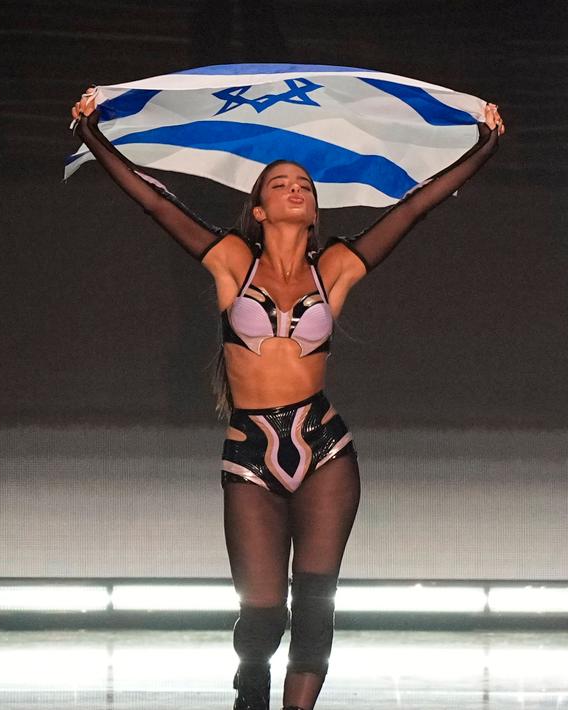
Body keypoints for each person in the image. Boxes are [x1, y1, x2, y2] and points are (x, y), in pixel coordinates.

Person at [72, 87, 503, 710]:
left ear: (315, 209)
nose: (296, 188)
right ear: (260, 209)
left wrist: (484, 146)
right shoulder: (231, 260)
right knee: (264, 614)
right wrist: (90, 133)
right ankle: (251, 681)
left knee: (316, 606)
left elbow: (414, 209)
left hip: (325, 445)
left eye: (305, 184)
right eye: (280, 184)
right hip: (250, 453)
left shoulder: (337, 267)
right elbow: (154, 202)